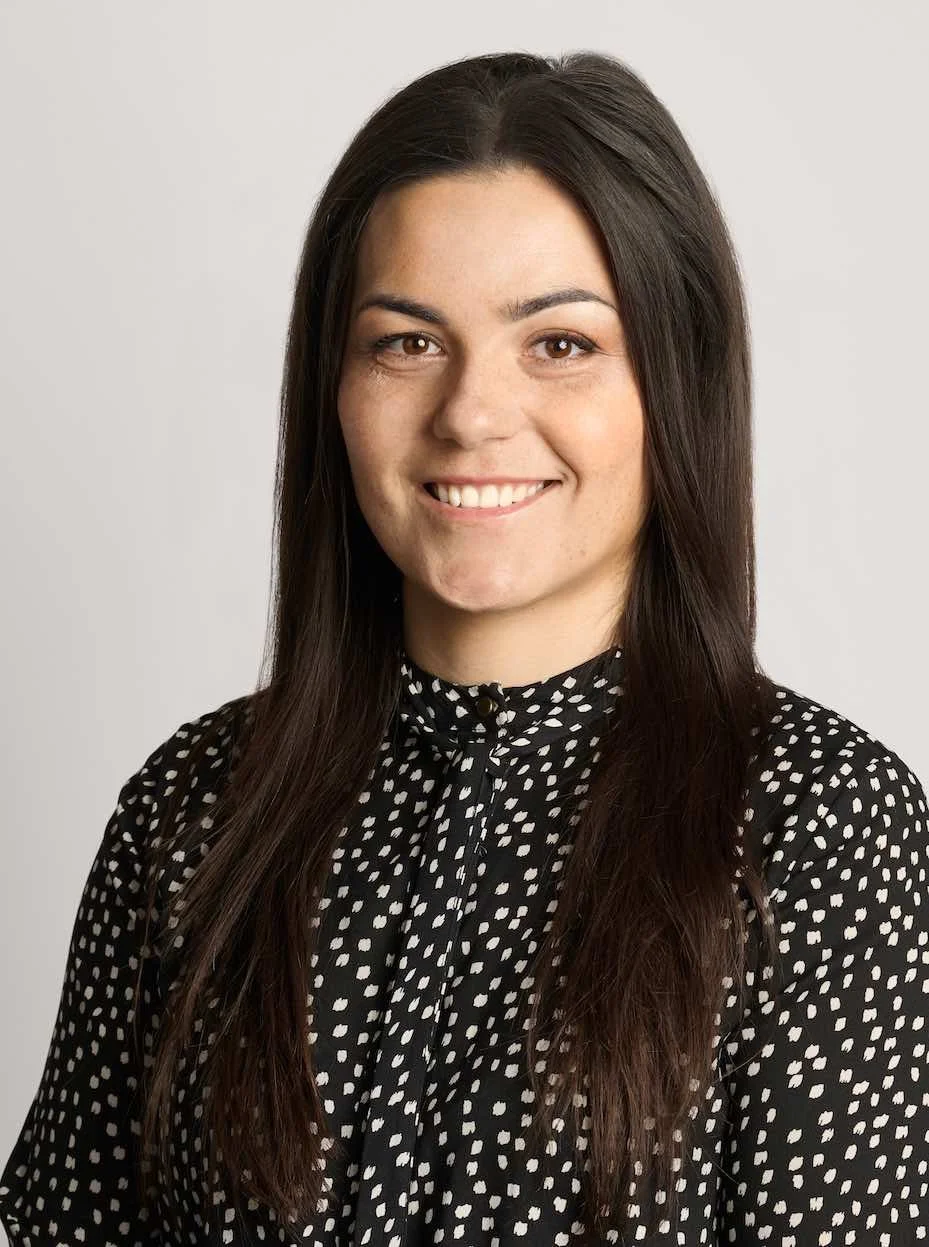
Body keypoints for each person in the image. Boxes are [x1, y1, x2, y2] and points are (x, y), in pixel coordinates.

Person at [1, 48, 926, 1247]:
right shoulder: (193, 813)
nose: (472, 413)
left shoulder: (816, 822)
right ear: (331, 385)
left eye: (559, 344)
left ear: (675, 379)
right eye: (406, 341)